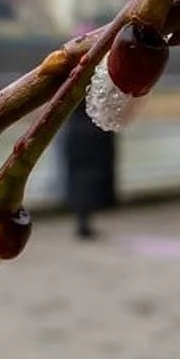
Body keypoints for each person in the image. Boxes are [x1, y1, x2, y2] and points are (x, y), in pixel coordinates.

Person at [59, 25, 119, 240]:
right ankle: (85, 221)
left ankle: (82, 220)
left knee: (78, 177)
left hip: (76, 132)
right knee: (89, 177)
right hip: (95, 131)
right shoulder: (105, 69)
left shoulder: (65, 72)